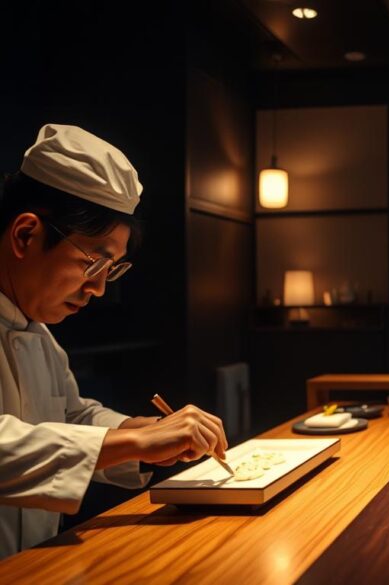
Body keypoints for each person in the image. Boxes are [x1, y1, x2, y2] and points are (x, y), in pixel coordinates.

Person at [0, 124, 229, 559]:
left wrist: (137, 433)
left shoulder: (39, 333)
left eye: (113, 269)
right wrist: (131, 444)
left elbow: (71, 415)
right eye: (93, 264)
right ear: (25, 235)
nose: (99, 288)